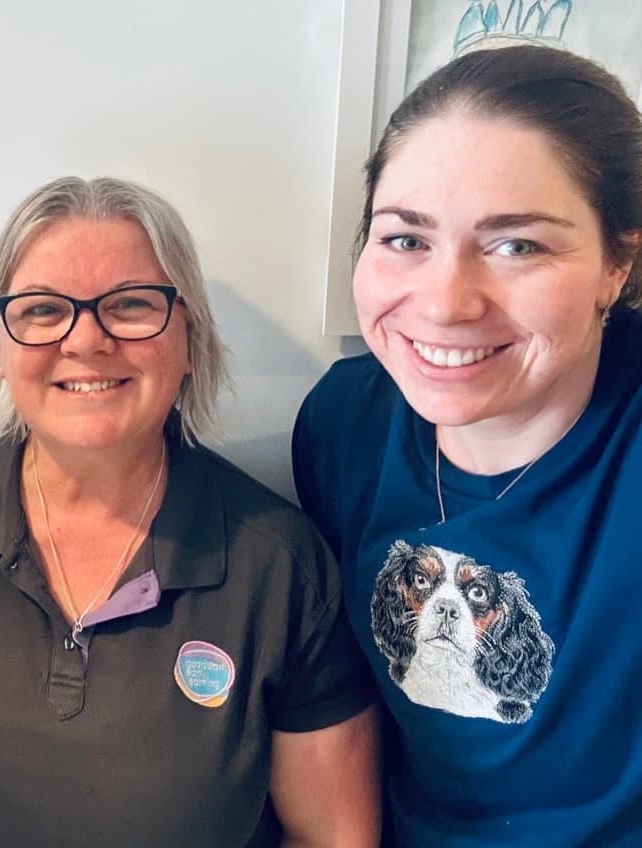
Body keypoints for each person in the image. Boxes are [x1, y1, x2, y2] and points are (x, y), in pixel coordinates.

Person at [0, 176, 379, 847]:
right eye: (42, 310)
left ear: (189, 341)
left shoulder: (277, 566)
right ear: (2, 346)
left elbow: (332, 834)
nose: (87, 339)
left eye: (129, 304)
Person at [293, 45, 642, 846]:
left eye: (516, 245)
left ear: (617, 264)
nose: (445, 304)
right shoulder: (345, 423)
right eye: (405, 239)